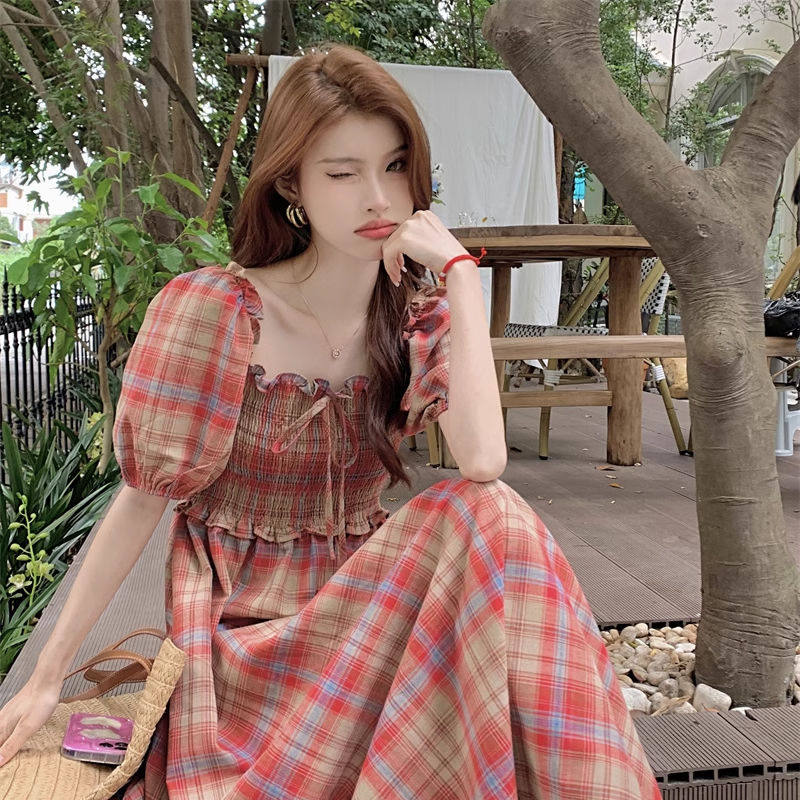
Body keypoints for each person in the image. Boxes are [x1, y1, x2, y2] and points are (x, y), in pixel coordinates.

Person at [0, 42, 662, 800]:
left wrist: (460, 278)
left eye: (395, 166)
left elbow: (483, 460)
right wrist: (45, 679)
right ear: (292, 184)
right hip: (246, 646)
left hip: (364, 620)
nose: (379, 199)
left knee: (492, 516)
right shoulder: (216, 312)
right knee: (490, 530)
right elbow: (141, 500)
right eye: (343, 174)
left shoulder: (413, 319)